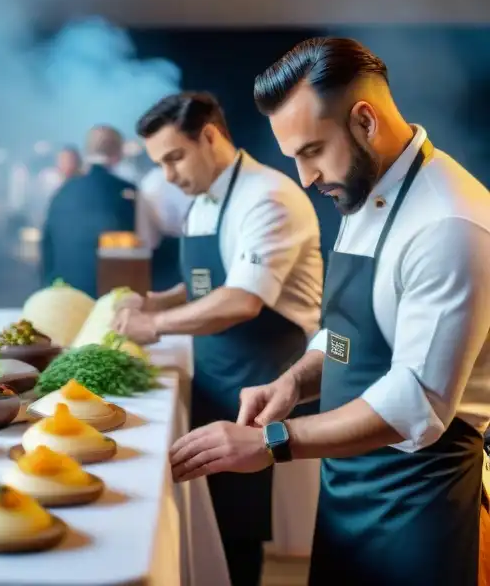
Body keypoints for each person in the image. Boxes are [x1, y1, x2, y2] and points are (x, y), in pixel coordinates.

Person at [168, 38, 490, 586]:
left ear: (364, 120)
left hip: (419, 504)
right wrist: (293, 382)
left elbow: (416, 405)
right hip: (348, 486)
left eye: (312, 150)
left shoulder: (451, 225)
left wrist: (272, 442)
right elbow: (346, 332)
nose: (304, 177)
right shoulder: (363, 187)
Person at [116, 92, 324, 586]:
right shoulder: (204, 199)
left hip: (265, 370)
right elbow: (208, 281)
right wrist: (156, 300)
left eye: (174, 157)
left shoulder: (267, 196)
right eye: (159, 163)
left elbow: (240, 300)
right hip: (217, 365)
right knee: (219, 506)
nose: (168, 175)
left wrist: (154, 326)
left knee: (242, 516)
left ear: (209, 136)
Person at [41, 126, 138, 296]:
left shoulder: (61, 192)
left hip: (62, 295)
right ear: (119, 152)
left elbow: (46, 247)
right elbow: (145, 247)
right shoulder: (128, 193)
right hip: (110, 299)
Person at [137, 163, 193, 291]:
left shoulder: (150, 181)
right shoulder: (194, 178)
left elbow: (148, 240)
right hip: (187, 247)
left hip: (161, 256)